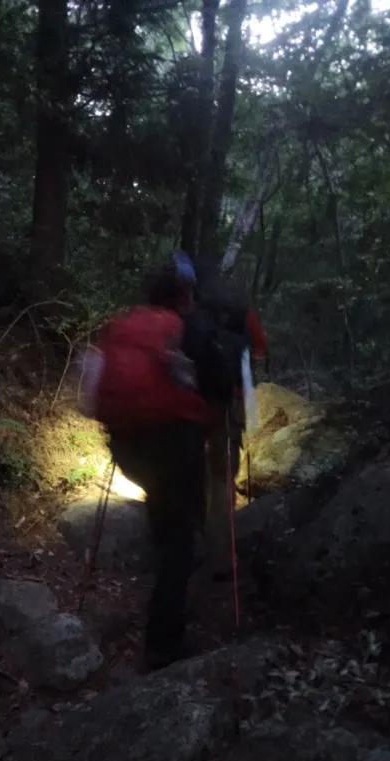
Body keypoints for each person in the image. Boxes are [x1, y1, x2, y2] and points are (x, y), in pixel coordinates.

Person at [84, 252, 235, 671]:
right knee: (178, 538)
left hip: (126, 445)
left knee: (164, 515)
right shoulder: (189, 327)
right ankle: (163, 642)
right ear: (186, 295)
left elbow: (92, 382)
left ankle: (168, 588)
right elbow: (222, 379)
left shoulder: (123, 324)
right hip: (173, 442)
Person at [192, 268, 268, 579]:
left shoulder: (197, 311)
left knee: (193, 470)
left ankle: (189, 544)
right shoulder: (243, 314)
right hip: (228, 405)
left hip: (193, 401)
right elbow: (260, 348)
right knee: (222, 478)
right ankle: (220, 556)